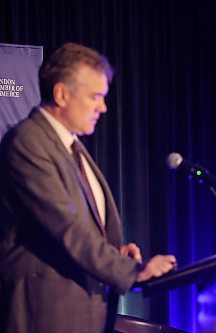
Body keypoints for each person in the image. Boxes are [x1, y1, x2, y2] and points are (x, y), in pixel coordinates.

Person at [0, 43, 177, 333]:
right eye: (95, 97)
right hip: (44, 313)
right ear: (61, 94)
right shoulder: (27, 143)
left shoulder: (71, 146)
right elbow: (64, 227)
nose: (103, 107)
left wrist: (114, 251)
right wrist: (133, 271)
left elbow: (80, 225)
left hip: (84, 310)